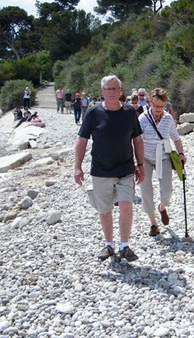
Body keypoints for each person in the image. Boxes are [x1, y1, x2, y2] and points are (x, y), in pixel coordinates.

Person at [74, 75, 145, 262]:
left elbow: (137, 139)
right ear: (102, 91)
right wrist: (77, 167)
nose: (111, 91)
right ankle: (109, 245)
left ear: (120, 91)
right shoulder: (93, 113)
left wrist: (141, 165)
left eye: (114, 88)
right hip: (101, 170)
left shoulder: (130, 112)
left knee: (126, 206)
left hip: (125, 169)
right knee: (104, 210)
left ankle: (124, 245)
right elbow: (82, 141)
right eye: (108, 88)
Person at [138, 87, 186, 237]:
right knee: (146, 192)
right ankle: (153, 223)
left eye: (162, 106)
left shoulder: (168, 119)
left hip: (164, 156)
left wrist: (181, 154)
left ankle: (162, 207)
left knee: (167, 190)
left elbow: (175, 138)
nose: (159, 109)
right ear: (150, 102)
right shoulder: (143, 118)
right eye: (156, 106)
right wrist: (136, 160)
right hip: (145, 157)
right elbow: (136, 140)